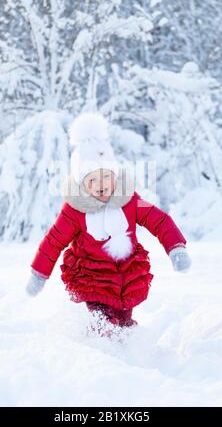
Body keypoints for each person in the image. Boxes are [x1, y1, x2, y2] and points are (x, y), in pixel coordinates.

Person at [26, 113, 191, 336]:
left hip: (126, 277)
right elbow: (54, 241)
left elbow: (159, 221)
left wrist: (176, 248)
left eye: (105, 177)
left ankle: (129, 351)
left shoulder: (130, 201)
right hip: (91, 279)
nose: (100, 185)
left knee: (123, 324)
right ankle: (98, 349)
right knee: (102, 324)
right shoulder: (75, 209)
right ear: (83, 185)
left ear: (114, 175)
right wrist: (39, 274)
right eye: (92, 180)